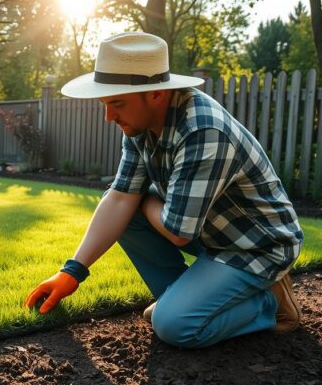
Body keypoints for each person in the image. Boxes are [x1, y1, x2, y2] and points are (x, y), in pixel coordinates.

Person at [23, 32, 304, 349]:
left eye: (116, 103)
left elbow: (178, 233)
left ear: (155, 94)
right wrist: (72, 271)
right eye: (105, 104)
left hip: (256, 246)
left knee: (175, 326)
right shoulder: (139, 126)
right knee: (128, 214)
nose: (109, 116)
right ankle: (187, 298)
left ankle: (268, 303)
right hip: (212, 235)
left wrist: (141, 202)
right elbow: (117, 198)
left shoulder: (202, 131)